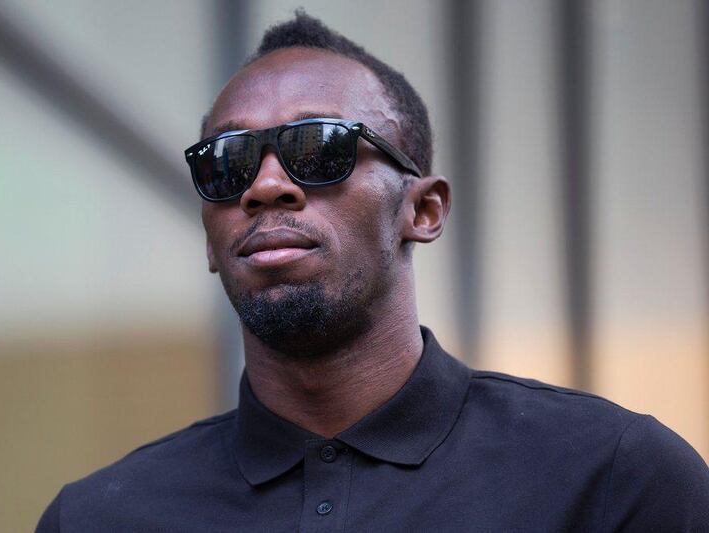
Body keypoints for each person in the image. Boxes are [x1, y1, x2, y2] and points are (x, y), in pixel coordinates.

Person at [36, 12, 709, 532]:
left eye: (318, 146)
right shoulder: (99, 517)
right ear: (211, 238)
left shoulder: (614, 478)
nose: (266, 186)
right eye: (227, 162)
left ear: (423, 208)